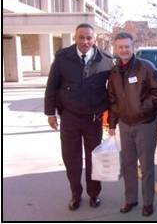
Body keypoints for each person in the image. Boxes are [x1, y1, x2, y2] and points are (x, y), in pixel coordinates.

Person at [44, 23, 113, 211]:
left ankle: (94, 193)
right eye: (81, 37)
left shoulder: (106, 60)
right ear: (75, 38)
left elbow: (113, 92)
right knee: (71, 158)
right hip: (70, 118)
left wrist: (112, 119)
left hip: (94, 119)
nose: (85, 41)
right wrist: (51, 112)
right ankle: (76, 194)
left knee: (94, 159)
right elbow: (52, 86)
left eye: (89, 38)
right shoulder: (62, 57)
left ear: (95, 39)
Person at [108, 32, 157, 217]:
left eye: (127, 46)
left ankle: (148, 202)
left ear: (133, 47)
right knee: (128, 165)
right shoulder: (115, 71)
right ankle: (130, 199)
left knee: (146, 165)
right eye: (120, 47)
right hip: (125, 125)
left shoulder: (145, 67)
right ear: (116, 49)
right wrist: (112, 123)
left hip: (145, 124)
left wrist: (142, 109)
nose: (124, 50)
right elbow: (113, 99)